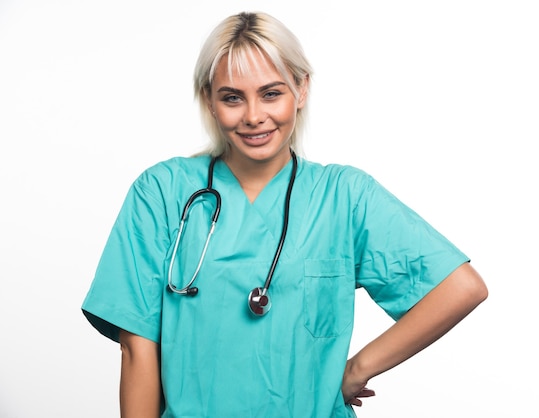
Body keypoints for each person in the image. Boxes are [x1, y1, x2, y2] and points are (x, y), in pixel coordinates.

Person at [82, 11, 488, 418]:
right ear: (209, 99)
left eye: (271, 93)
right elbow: (137, 347)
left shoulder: (344, 197)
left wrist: (357, 369)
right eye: (232, 97)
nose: (254, 116)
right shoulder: (162, 193)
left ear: (302, 88)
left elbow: (460, 287)